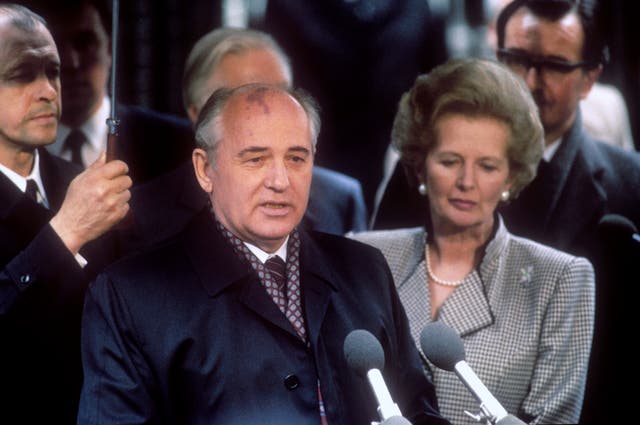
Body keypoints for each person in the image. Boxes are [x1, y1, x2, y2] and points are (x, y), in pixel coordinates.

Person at [77, 83, 449, 425]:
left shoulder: (364, 269)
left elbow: (417, 408)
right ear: (205, 169)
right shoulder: (130, 296)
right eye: (255, 159)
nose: (280, 181)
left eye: (296, 159)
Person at [351, 58, 595, 424]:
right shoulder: (364, 255)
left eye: (487, 166)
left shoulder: (559, 278)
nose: (467, 181)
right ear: (420, 166)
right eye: (450, 161)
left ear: (511, 177)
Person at [494, 1, 640, 421]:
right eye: (517, 60)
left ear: (590, 78)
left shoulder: (630, 188)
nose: (531, 82)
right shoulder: (427, 171)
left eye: (555, 66)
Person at [122, 27, 367, 252]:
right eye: (249, 100)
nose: (270, 112)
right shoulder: (141, 214)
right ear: (197, 113)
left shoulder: (340, 198)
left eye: (281, 94)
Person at [0, 4, 131, 423]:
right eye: (23, 74)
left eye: (52, 72)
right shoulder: (83, 203)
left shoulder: (86, 187)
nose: (49, 91)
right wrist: (65, 233)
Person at [25, 0, 194, 184]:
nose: (71, 63)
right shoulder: (15, 149)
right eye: (56, 45)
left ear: (109, 49)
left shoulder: (176, 143)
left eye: (85, 42)